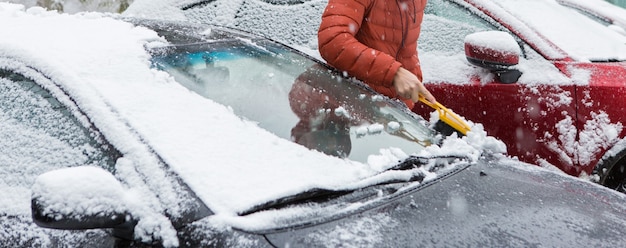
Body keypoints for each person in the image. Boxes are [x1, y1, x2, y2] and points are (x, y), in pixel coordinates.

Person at [317, 0, 436, 110]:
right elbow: (333, 41)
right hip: (344, 108)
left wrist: (414, 76)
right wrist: (394, 73)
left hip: (389, 114)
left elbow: (406, 47)